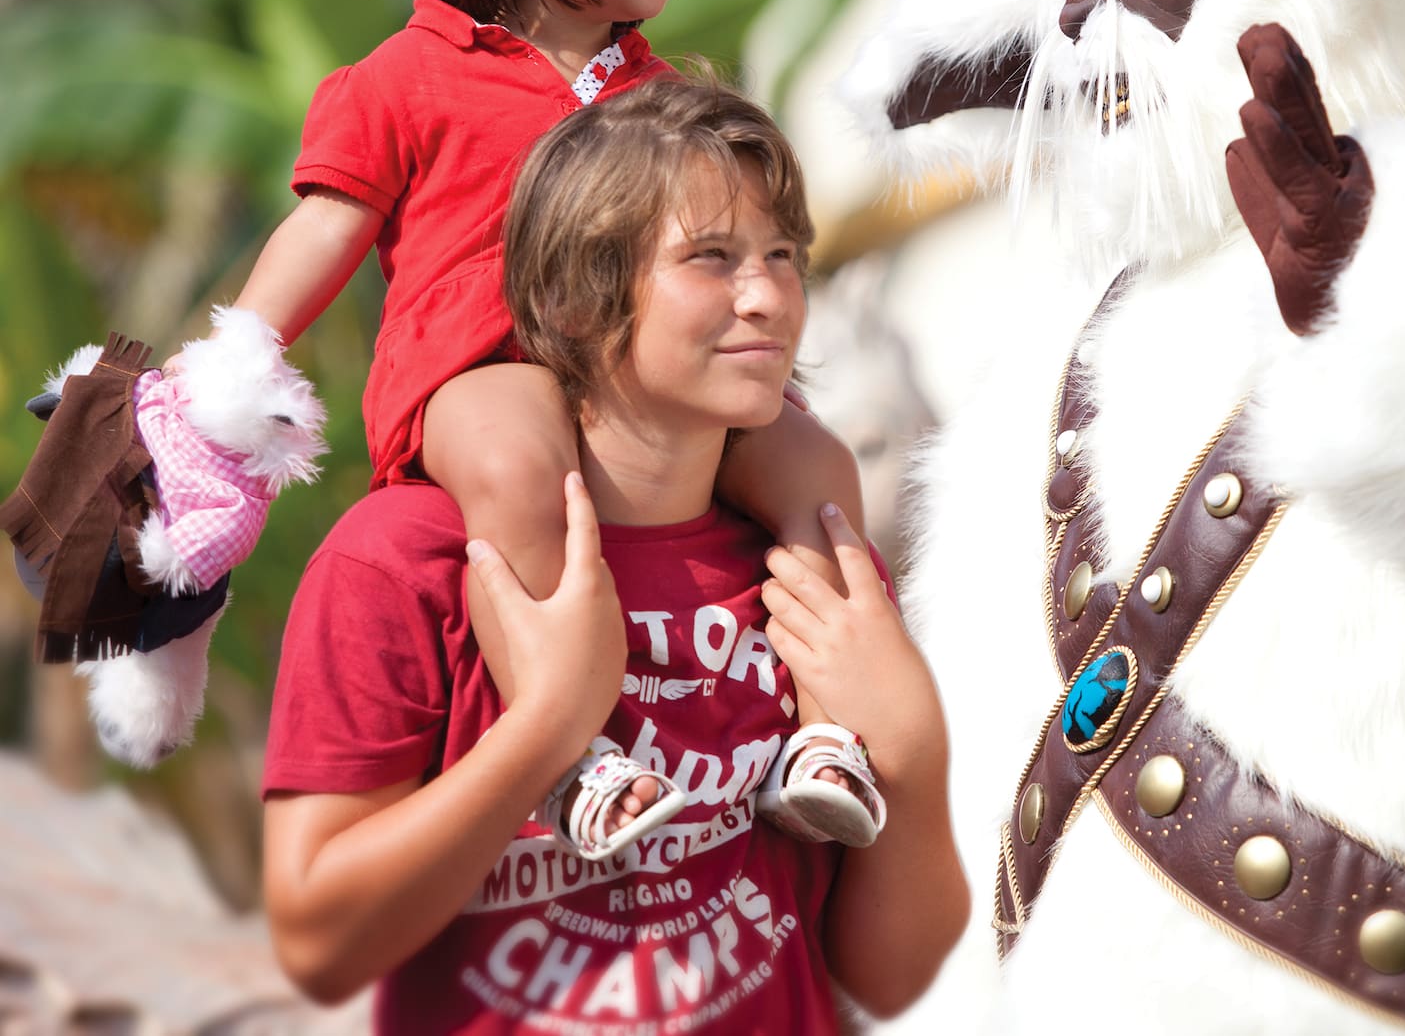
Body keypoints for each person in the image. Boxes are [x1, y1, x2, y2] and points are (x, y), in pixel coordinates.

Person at [179, 0, 879, 852]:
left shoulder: (664, 94)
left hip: (643, 377)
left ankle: (829, 732)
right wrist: (235, 359)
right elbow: (325, 224)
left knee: (815, 466)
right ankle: (569, 753)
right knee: (516, 461)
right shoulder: (405, 77)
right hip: (478, 367)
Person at [261, 77, 970, 1028]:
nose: (765, 294)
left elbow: (887, 977)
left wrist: (913, 756)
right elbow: (317, 940)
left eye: (781, 254)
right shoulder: (404, 564)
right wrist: (546, 726)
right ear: (581, 299)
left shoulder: (805, 563)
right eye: (710, 258)